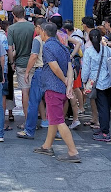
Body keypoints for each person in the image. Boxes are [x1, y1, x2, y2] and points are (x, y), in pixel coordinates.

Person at [34, 22, 81, 162]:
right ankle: (47, 146)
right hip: (60, 89)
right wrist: (68, 83)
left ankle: (73, 152)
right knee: (54, 118)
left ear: (43, 32)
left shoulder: (48, 46)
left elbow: (54, 67)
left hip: (53, 87)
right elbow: (70, 66)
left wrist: (65, 80)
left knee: (59, 120)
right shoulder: (62, 45)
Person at [81, 29, 111, 142]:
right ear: (100, 38)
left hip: (97, 83)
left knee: (102, 108)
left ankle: (105, 133)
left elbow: (85, 69)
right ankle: (104, 128)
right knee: (106, 107)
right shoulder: (107, 50)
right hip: (109, 82)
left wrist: (84, 81)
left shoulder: (88, 52)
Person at [17, 19, 49, 140]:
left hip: (40, 71)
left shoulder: (38, 40)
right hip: (51, 71)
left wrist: (26, 72)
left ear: (40, 28)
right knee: (51, 102)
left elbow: (34, 56)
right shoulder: (55, 39)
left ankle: (29, 130)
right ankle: (55, 129)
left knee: (33, 101)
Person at [8, 5, 35, 128]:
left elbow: (10, 48)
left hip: (20, 63)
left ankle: (27, 121)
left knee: (24, 92)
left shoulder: (11, 28)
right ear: (24, 13)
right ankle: (38, 118)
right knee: (34, 92)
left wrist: (11, 61)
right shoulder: (32, 26)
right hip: (34, 62)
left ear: (13, 15)